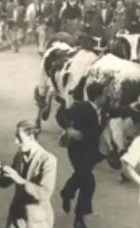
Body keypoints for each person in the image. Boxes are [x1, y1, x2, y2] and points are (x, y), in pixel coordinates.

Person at [57, 82, 107, 228]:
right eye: (104, 94)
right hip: (77, 151)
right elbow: (60, 114)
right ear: (98, 96)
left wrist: (135, 106)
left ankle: (67, 192)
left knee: (82, 176)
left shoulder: (103, 110)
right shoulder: (81, 107)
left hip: (92, 152)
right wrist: (69, 130)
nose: (107, 96)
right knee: (88, 181)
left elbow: (119, 111)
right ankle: (80, 217)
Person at [0, 120, 57, 228]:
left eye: (19, 138)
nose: (16, 141)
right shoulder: (19, 155)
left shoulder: (48, 160)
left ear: (31, 137)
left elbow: (45, 193)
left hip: (37, 218)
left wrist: (20, 180)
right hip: (17, 214)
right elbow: (8, 180)